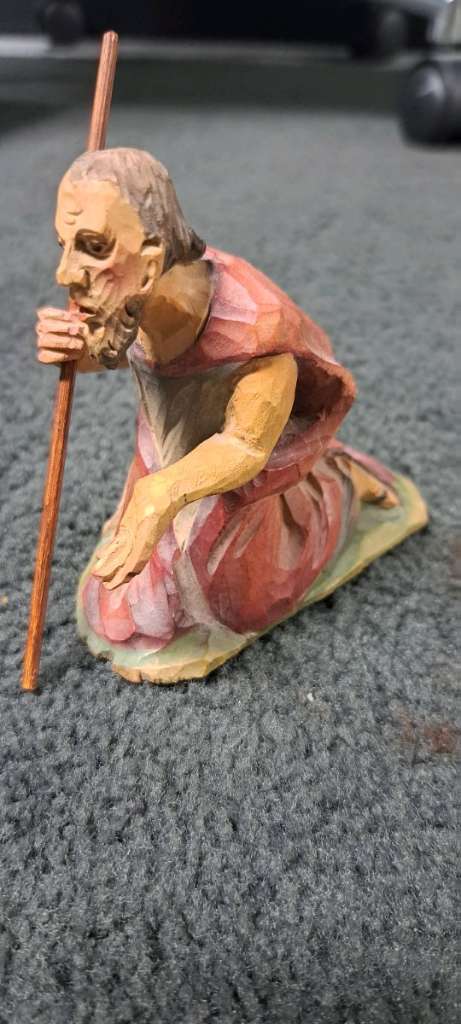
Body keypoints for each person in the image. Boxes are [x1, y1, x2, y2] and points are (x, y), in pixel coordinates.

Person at [36, 148, 427, 683]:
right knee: (132, 607)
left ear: (152, 257)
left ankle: (338, 485)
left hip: (229, 470)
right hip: (163, 450)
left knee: (230, 601)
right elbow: (110, 348)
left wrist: (163, 494)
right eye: (64, 245)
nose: (65, 274)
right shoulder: (131, 290)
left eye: (94, 247)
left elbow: (245, 445)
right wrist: (72, 347)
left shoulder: (255, 327)